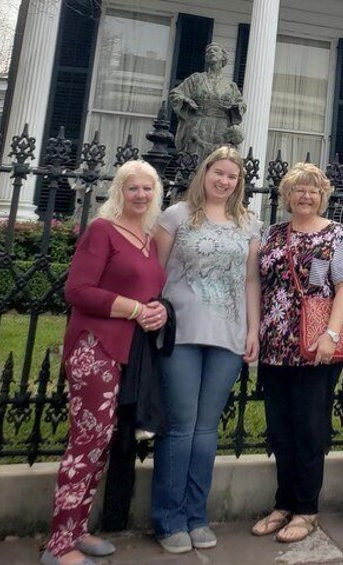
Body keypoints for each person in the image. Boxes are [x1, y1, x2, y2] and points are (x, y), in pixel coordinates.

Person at [43, 161, 166, 565]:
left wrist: (157, 311)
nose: (141, 195)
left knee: (100, 442)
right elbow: (77, 290)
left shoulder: (147, 238)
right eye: (133, 188)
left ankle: (78, 530)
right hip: (94, 347)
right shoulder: (102, 231)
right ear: (120, 191)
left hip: (127, 350)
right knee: (86, 441)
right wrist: (134, 309)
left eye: (148, 189)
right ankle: (60, 543)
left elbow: (150, 292)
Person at [150, 146, 261, 553]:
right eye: (219, 172)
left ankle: (196, 515)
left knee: (205, 429)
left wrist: (254, 329)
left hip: (228, 336)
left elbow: (251, 281)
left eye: (233, 176)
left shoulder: (248, 224)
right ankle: (168, 518)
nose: (225, 181)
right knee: (180, 426)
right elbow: (156, 273)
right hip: (181, 331)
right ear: (206, 172)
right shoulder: (176, 216)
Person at [252, 162, 343, 543]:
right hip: (275, 344)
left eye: (313, 190)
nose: (306, 195)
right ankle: (282, 504)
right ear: (287, 196)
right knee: (280, 430)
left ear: (323, 196)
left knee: (310, 428)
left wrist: (331, 333)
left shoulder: (336, 234)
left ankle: (305, 509)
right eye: (299, 189)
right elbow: (258, 283)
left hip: (315, 346)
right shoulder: (272, 234)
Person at [169, 43, 246, 157]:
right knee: (194, 161)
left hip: (221, 127)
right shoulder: (196, 79)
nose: (211, 52)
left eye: (215, 50)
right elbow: (175, 94)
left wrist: (236, 107)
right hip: (200, 124)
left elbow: (241, 104)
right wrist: (187, 101)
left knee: (218, 160)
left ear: (223, 57)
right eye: (208, 51)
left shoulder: (231, 85)